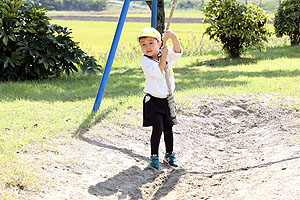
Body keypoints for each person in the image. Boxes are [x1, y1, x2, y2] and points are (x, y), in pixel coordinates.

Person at [137, 27, 182, 169]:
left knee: (169, 129)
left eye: (151, 43)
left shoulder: (165, 54)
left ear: (159, 44)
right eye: (143, 44)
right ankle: (154, 156)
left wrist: (173, 37)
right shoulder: (145, 61)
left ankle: (169, 154)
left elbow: (178, 52)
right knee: (158, 128)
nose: (147, 47)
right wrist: (163, 55)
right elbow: (158, 71)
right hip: (153, 101)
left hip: (166, 100)